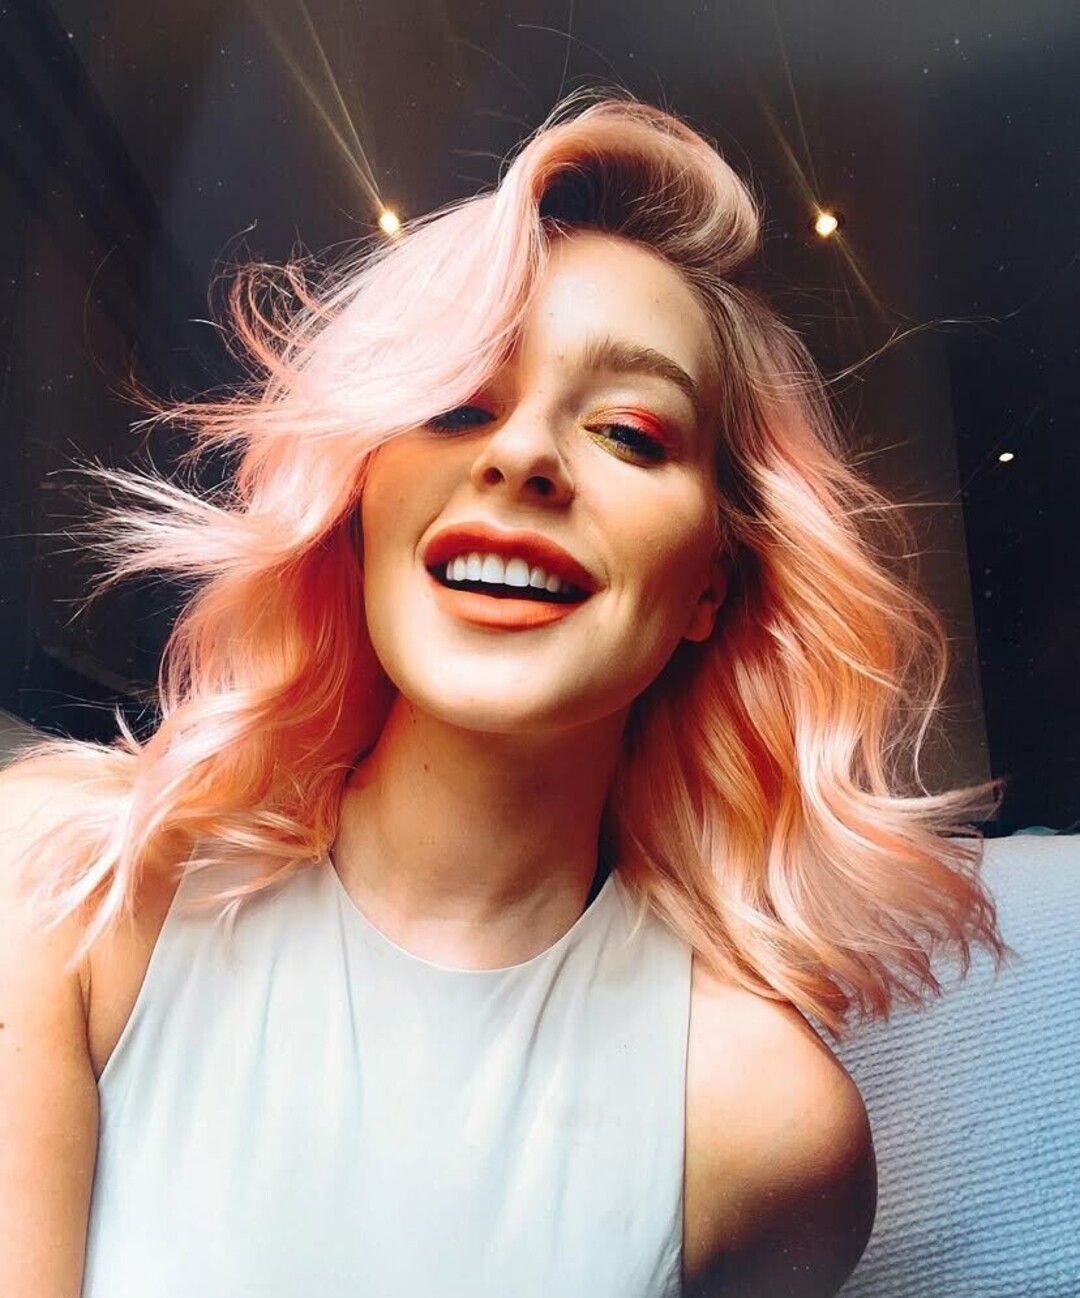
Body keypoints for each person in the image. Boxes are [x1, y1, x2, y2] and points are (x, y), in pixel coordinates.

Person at [0, 91, 1005, 1298]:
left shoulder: (762, 1122)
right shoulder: (65, 884)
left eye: (630, 431)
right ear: (361, 500)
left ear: (711, 582)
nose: (522, 454)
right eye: (456, 403)